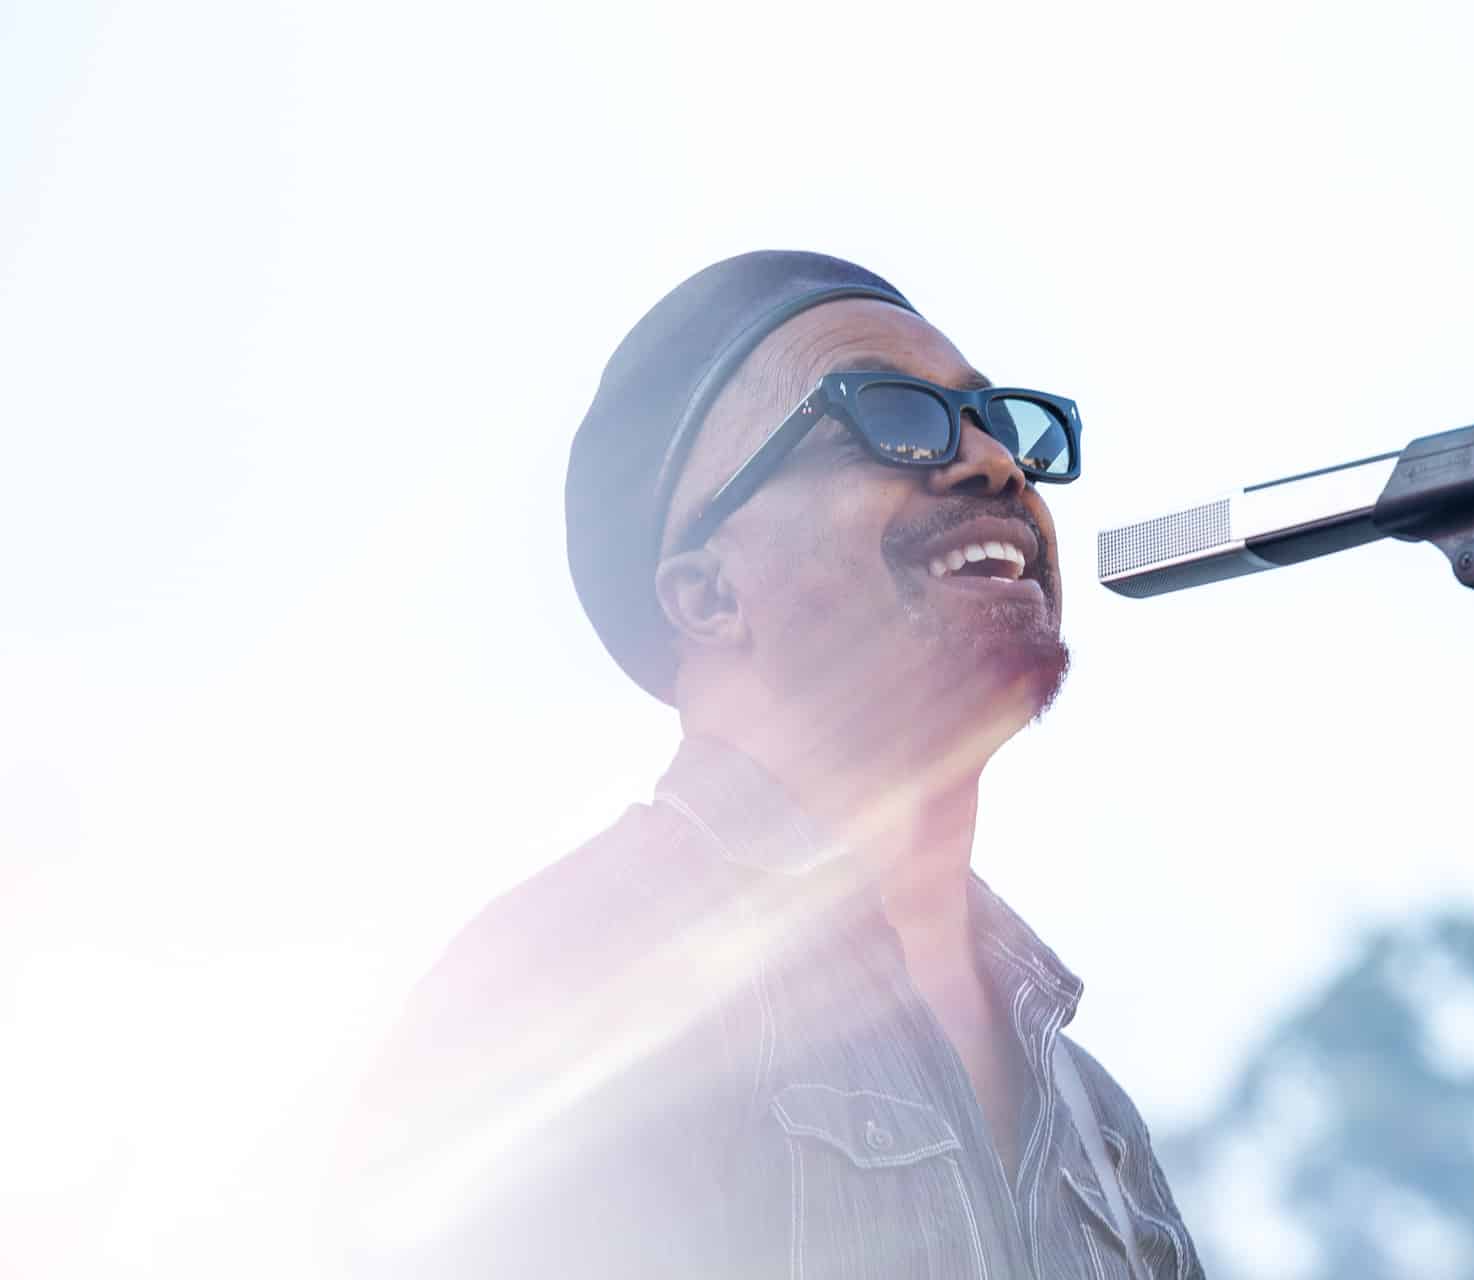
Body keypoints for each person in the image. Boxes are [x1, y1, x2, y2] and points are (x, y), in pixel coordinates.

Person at [337, 251, 1205, 1278]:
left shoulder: (1096, 1122)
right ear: (708, 594)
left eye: (998, 425)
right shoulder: (566, 983)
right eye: (891, 417)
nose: (992, 464)